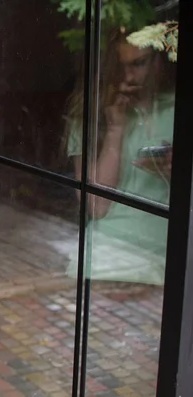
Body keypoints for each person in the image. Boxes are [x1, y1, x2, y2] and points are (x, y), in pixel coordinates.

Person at [62, 27, 175, 286]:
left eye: (138, 64)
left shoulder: (176, 110)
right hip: (108, 252)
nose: (128, 76)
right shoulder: (90, 117)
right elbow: (95, 207)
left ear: (157, 63)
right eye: (121, 67)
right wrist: (115, 130)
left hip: (162, 251)